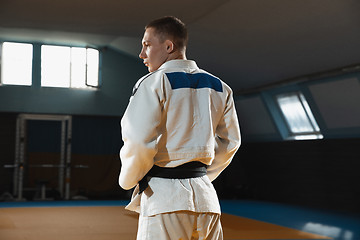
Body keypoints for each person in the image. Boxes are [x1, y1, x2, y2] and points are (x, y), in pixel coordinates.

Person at [119, 16, 241, 240]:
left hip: (164, 200)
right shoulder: (221, 87)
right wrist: (200, 176)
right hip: (207, 200)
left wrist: (128, 180)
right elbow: (230, 143)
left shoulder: (153, 82)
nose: (141, 54)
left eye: (147, 45)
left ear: (168, 46)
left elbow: (137, 140)